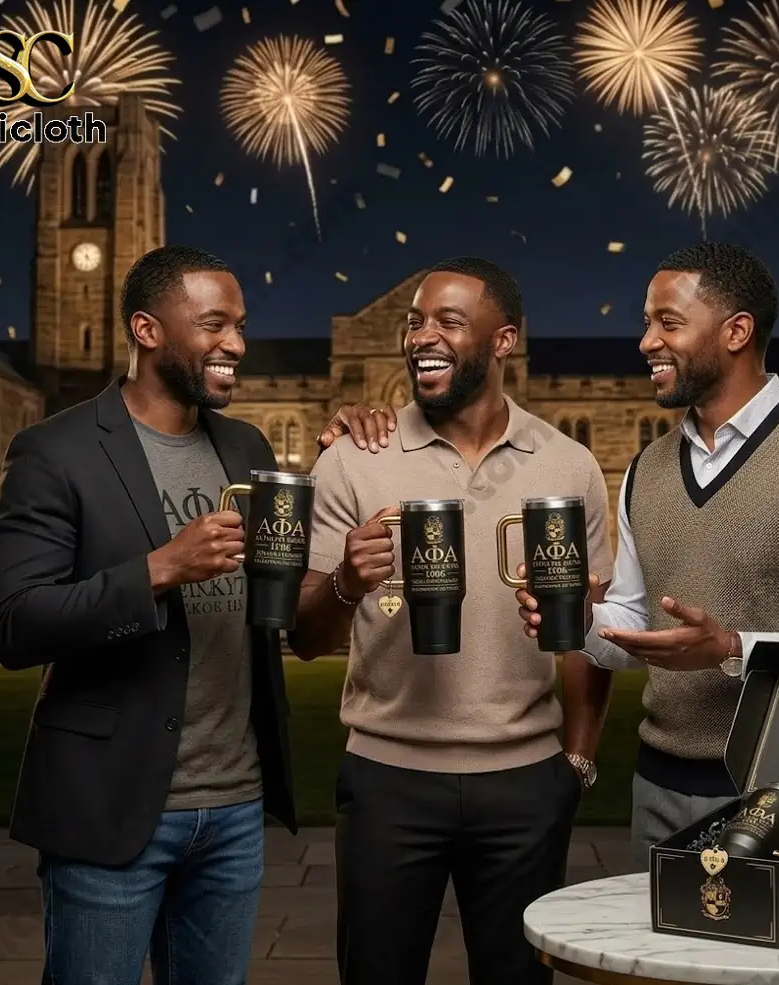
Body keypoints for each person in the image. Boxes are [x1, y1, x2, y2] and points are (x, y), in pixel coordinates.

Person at [0, 245, 382, 985]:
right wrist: (160, 569)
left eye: (239, 324)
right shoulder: (55, 451)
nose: (236, 342)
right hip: (111, 805)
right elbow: (14, 624)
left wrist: (347, 580)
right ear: (147, 329)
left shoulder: (248, 448)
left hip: (233, 808)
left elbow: (295, 628)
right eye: (214, 324)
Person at [514, 242, 779, 869]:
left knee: (768, 967)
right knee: (661, 967)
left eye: (668, 323)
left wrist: (734, 648)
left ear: (736, 331)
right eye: (646, 322)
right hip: (657, 787)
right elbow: (635, 622)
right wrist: (581, 623)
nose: (646, 341)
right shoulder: (645, 470)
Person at [287, 257, 616, 985]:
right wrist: (344, 580)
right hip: (387, 780)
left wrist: (578, 761)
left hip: (525, 782)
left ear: (504, 340)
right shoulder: (351, 458)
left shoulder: (569, 465)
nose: (420, 336)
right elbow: (305, 640)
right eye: (413, 321)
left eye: (447, 321)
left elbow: (588, 633)